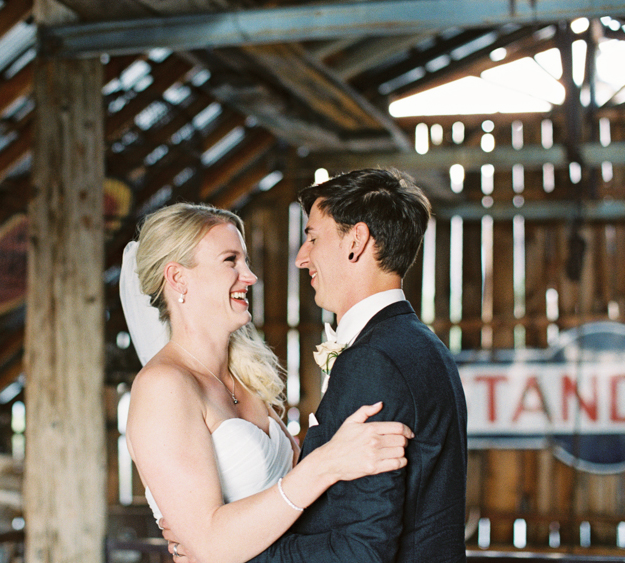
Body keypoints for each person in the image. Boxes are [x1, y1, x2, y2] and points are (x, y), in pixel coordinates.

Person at [167, 168, 468, 562]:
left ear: (355, 242)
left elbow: (358, 551)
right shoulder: (422, 345)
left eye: (312, 237)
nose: (300, 257)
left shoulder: (374, 360)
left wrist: (228, 556)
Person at [119, 202, 414, 563]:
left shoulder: (244, 375)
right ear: (179, 278)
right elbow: (210, 545)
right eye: (231, 261)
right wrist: (325, 463)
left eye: (244, 261)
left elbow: (284, 502)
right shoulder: (163, 387)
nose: (250, 276)